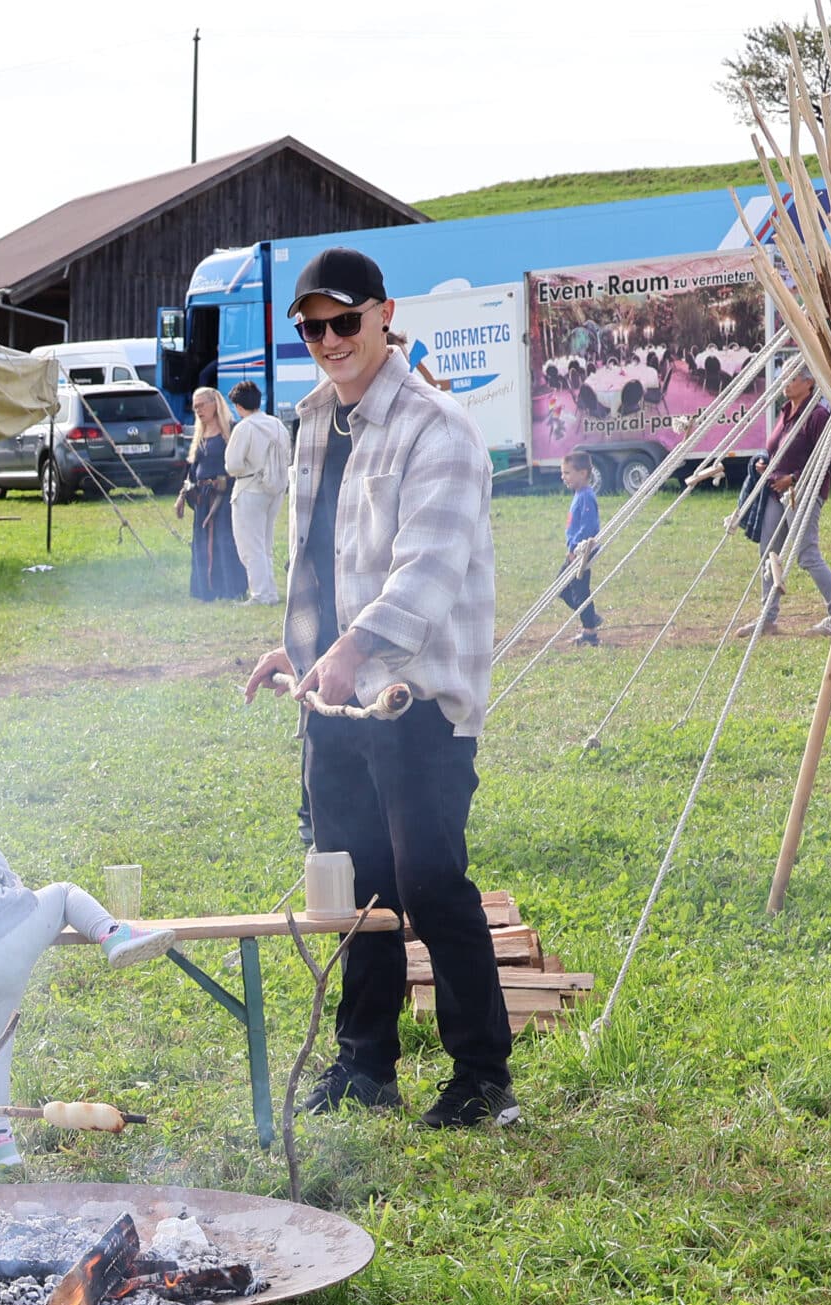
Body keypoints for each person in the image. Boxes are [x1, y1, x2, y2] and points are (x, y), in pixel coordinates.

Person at [240, 246, 516, 1131]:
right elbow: (319, 563)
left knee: (429, 881)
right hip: (335, 697)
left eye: (344, 321)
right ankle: (365, 1063)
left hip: (414, 698)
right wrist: (301, 651)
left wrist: (353, 648)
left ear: (385, 315)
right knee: (355, 889)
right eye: (312, 328)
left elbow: (425, 574)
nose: (329, 340)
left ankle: (483, 1077)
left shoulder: (440, 428)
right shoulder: (313, 422)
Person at [0, 780, 172, 1170]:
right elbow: (15, 891)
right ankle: (112, 934)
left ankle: (0, 1145)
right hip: (6, 940)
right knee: (64, 892)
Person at [737, 369, 831, 638]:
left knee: (807, 554)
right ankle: (767, 619)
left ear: (809, 383)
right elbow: (776, 449)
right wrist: (765, 463)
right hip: (776, 491)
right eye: (783, 377)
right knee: (769, 553)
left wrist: (793, 479)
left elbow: (826, 459)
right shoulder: (785, 411)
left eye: (792, 378)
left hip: (802, 493)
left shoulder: (817, 416)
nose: (785, 382)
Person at [177, 387, 247, 602]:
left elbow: (240, 463)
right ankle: (206, 590)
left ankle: (231, 589)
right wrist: (182, 495)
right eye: (195, 407)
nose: (198, 410)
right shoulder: (200, 434)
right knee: (202, 544)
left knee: (225, 541)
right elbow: (193, 469)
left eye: (201, 405)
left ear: (214, 404)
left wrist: (224, 484)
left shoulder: (231, 431)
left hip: (224, 497)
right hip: (202, 497)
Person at [222, 381, 287, 607]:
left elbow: (233, 465)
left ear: (239, 406)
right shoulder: (277, 424)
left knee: (251, 546)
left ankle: (260, 594)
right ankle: (269, 592)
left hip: (249, 488)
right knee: (265, 543)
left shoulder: (244, 427)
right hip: (275, 488)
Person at [558, 452, 604, 647]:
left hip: (582, 552)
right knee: (562, 588)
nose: (563, 477)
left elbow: (588, 528)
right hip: (575, 551)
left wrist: (575, 550)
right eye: (563, 473)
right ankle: (590, 618)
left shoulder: (586, 497)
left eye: (567, 473)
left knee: (580, 591)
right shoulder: (579, 494)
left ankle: (590, 630)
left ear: (583, 473)